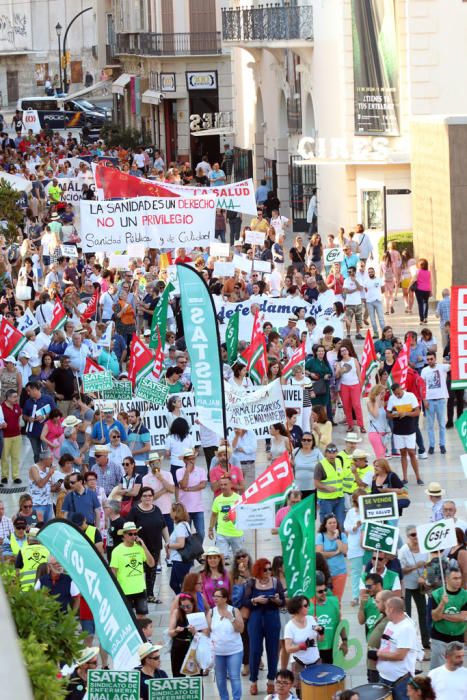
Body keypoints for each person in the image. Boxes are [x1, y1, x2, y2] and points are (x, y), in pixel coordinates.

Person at [244, 557, 285, 696]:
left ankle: (271, 681)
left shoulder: (275, 582)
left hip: (272, 617)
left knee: (273, 650)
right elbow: (245, 601)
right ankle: (253, 681)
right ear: (258, 570)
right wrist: (255, 600)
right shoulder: (251, 582)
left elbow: (283, 602)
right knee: (255, 650)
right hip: (256, 618)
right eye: (265, 569)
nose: (268, 572)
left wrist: (276, 600)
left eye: (269, 569)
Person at [129, 486, 169, 604]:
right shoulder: (135, 511)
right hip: (138, 547)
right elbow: (129, 528)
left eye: (150, 496)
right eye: (145, 496)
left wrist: (167, 542)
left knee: (151, 572)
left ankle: (150, 595)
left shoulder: (156, 509)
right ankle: (137, 596)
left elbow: (163, 526)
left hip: (155, 545)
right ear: (141, 497)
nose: (148, 498)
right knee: (138, 571)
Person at [110, 521, 155, 618]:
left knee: (142, 618)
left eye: (135, 533)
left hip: (140, 589)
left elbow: (151, 564)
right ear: (124, 535)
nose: (133, 536)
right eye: (130, 534)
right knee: (127, 618)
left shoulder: (140, 548)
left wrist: (144, 546)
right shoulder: (117, 551)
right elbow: (113, 572)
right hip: (124, 591)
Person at [376, 596, 418, 700]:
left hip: (400, 682)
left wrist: (378, 654)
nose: (384, 611)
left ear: (390, 609)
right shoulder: (391, 623)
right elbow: (386, 642)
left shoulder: (406, 628)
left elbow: (400, 655)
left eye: (386, 608)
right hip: (384, 677)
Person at [206, 586, 244, 700]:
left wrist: (231, 618)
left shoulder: (234, 610)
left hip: (234, 650)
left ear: (225, 598)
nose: (215, 598)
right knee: (220, 678)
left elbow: (241, 629)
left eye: (218, 596)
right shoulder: (211, 612)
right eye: (214, 596)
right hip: (217, 652)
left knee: (234, 677)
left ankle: (237, 698)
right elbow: (207, 631)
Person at [399, 525, 430, 649]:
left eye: (417, 534)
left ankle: (425, 641)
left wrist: (424, 576)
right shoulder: (404, 550)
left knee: (423, 614)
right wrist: (415, 567)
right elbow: (400, 571)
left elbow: (429, 565)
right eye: (413, 535)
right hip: (406, 586)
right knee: (408, 616)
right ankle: (411, 643)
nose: (416, 537)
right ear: (407, 537)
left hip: (420, 586)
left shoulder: (424, 547)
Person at [387, 383, 424, 485]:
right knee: (402, 453)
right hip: (398, 430)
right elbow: (388, 414)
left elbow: (417, 412)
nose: (397, 395)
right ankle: (405, 477)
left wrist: (406, 413)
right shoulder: (392, 398)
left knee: (412, 452)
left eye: (398, 393)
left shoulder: (411, 396)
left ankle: (418, 477)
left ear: (401, 389)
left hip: (410, 429)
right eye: (395, 394)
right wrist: (394, 415)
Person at [430, 567, 467, 669]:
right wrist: (442, 603)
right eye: (455, 578)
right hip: (439, 636)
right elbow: (435, 618)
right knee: (436, 670)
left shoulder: (465, 595)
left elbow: (463, 617)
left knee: (456, 669)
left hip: (458, 637)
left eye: (460, 578)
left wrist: (442, 615)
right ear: (446, 579)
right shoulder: (436, 594)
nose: (458, 581)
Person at [284, 596, 321, 696]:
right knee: (302, 694)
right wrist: (302, 646)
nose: (308, 607)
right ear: (298, 608)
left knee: (317, 691)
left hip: (316, 661)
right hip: (300, 665)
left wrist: (321, 632)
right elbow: (288, 649)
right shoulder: (289, 627)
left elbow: (319, 639)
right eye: (305, 605)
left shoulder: (311, 619)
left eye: (308, 605)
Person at [209, 476, 244, 561]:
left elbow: (244, 514)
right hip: (222, 533)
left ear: (231, 484)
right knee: (221, 559)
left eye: (225, 484)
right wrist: (210, 529)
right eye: (221, 485)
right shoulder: (217, 499)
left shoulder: (238, 498)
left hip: (236, 533)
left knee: (239, 560)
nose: (223, 487)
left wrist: (232, 516)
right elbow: (214, 515)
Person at [421, 352, 449, 454]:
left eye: (431, 359)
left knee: (442, 424)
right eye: (428, 359)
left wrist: (448, 359)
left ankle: (442, 445)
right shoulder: (424, 370)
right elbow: (422, 386)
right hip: (429, 400)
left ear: (435, 358)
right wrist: (424, 400)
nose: (429, 361)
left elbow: (453, 365)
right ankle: (431, 445)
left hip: (441, 400)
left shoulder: (442, 367)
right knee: (430, 425)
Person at [316, 513, 348, 602]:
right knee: (325, 598)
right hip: (326, 573)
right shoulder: (321, 536)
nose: (333, 524)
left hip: (340, 572)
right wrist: (336, 552)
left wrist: (337, 537)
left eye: (334, 522)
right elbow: (319, 554)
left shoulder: (342, 536)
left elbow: (344, 551)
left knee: (337, 599)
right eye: (330, 523)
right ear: (325, 525)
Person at [313, 572, 343, 663]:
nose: (324, 593)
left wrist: (344, 641)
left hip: (331, 648)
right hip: (314, 649)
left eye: (325, 590)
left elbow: (340, 623)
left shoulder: (334, 601)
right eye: (320, 591)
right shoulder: (307, 606)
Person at [176, 449, 207, 539]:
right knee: (186, 534)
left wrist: (189, 489)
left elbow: (203, 485)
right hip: (184, 509)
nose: (192, 461)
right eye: (189, 459)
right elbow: (183, 485)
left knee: (201, 533)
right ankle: (189, 552)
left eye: (193, 458)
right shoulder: (179, 471)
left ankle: (198, 550)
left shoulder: (201, 470)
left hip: (198, 507)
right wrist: (187, 472)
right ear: (184, 460)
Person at [22, 381, 56, 461]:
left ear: (34, 389)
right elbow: (24, 415)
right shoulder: (28, 402)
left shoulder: (48, 399)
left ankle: (48, 471)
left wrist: (44, 416)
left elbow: (55, 413)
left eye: (29, 391)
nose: (28, 393)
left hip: (46, 433)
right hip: (33, 432)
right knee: (36, 454)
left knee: (46, 454)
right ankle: (37, 471)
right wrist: (28, 418)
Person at [314, 443, 345, 527]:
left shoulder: (339, 461)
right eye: (329, 452)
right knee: (327, 524)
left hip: (339, 497)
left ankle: (339, 539)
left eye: (334, 452)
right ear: (325, 453)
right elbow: (316, 483)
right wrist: (326, 487)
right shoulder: (320, 466)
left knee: (340, 523)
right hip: (326, 500)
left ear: (337, 453)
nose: (332, 455)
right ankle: (326, 539)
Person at [335, 343, 364, 432]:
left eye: (345, 350)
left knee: (356, 405)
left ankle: (361, 425)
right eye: (341, 351)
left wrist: (361, 386)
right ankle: (350, 424)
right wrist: (339, 370)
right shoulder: (339, 363)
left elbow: (359, 374)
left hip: (355, 385)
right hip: (345, 386)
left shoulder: (354, 360)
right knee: (347, 406)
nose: (343, 352)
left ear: (348, 351)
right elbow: (336, 376)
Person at [344, 489, 366, 606]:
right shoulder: (351, 512)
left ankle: (368, 595)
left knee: (368, 571)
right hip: (355, 547)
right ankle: (355, 596)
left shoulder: (369, 511)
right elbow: (346, 526)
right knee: (356, 572)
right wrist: (355, 526)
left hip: (368, 547)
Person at [168, 592, 197, 677]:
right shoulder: (177, 612)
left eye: (188, 606)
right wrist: (176, 631)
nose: (185, 609)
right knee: (178, 675)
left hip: (193, 646)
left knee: (196, 676)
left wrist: (195, 632)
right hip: (179, 645)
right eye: (183, 606)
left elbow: (205, 633)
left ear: (193, 604)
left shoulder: (197, 613)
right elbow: (170, 632)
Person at [166, 501, 193, 594]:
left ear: (175, 512)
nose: (169, 512)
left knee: (181, 584)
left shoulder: (180, 527)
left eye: (171, 510)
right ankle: (182, 598)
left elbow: (181, 544)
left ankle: (185, 599)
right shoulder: (184, 524)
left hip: (180, 560)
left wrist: (168, 545)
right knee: (174, 583)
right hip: (179, 559)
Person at [292, 432, 323, 499]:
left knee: (311, 509)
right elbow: (288, 466)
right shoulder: (295, 451)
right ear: (301, 441)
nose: (306, 442)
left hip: (312, 488)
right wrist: (290, 464)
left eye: (309, 440)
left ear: (313, 441)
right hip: (297, 489)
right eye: (304, 440)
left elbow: (324, 465)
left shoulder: (317, 452)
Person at [1, 389, 22, 484]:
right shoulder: (1, 408)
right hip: (5, 436)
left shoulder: (17, 406)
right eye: (14, 397)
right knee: (4, 457)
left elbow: (19, 418)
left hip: (17, 435)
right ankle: (4, 476)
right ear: (8, 398)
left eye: (16, 396)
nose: (16, 398)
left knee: (16, 457)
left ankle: (15, 476)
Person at [28, 448, 55, 522]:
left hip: (48, 504)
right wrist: (49, 474)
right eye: (51, 459)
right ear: (45, 459)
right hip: (37, 504)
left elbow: (50, 487)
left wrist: (57, 486)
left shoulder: (47, 469)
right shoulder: (34, 468)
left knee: (47, 527)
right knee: (37, 527)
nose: (52, 461)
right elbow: (40, 484)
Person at [413, 258, 432, 324]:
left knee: (420, 304)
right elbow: (430, 282)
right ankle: (425, 318)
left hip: (419, 290)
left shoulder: (417, 271)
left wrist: (409, 287)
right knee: (426, 303)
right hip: (427, 290)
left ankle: (421, 319)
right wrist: (431, 291)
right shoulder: (429, 272)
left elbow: (413, 280)